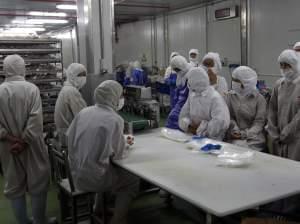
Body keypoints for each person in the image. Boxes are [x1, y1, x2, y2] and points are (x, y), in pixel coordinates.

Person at [67, 80, 139, 224]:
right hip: (95, 179)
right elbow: (118, 155)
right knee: (131, 180)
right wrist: (125, 144)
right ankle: (117, 219)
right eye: (120, 96)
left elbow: (69, 138)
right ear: (113, 98)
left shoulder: (84, 112)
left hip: (75, 174)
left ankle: (98, 207)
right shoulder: (115, 119)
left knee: (102, 166)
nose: (121, 99)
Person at [0, 55, 50, 224]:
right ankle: (39, 220)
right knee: (38, 183)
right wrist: (24, 141)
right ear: (23, 68)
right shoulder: (31, 89)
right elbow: (35, 120)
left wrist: (10, 139)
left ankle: (24, 222)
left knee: (15, 186)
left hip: (7, 146)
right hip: (31, 146)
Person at [179, 67, 230, 140]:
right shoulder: (193, 95)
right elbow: (183, 115)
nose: (188, 83)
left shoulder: (214, 98)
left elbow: (220, 123)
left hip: (212, 140)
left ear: (194, 82)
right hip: (192, 136)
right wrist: (188, 125)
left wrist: (199, 129)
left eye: (189, 80)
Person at [267, 49, 300, 161]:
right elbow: (272, 109)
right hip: (278, 138)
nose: (284, 68)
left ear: (295, 65)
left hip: (295, 139)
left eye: (287, 65)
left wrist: (287, 132)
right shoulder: (279, 84)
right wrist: (273, 132)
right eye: (281, 65)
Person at [226, 66, 267, 151]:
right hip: (234, 135)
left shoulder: (259, 99)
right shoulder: (230, 95)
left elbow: (259, 123)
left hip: (254, 138)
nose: (233, 82)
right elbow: (230, 117)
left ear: (245, 83)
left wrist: (245, 134)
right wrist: (235, 130)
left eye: (236, 81)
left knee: (242, 151)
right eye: (233, 79)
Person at [54, 63, 87, 145]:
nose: (83, 78)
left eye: (84, 75)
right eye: (80, 75)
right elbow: (84, 116)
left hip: (66, 134)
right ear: (72, 75)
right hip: (71, 137)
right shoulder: (71, 92)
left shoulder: (66, 89)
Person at [165, 55, 192, 130]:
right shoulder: (180, 74)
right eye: (175, 70)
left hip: (187, 103)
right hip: (179, 99)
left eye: (177, 69)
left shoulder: (190, 73)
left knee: (182, 121)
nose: (177, 72)